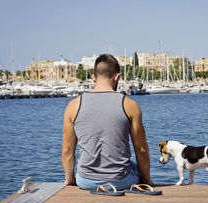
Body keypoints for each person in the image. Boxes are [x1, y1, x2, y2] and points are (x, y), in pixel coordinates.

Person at [62, 54, 153, 190]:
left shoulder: (73, 106)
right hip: (120, 181)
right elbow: (141, 149)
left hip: (85, 181)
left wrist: (70, 179)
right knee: (133, 166)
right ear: (116, 77)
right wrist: (146, 180)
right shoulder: (129, 105)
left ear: (93, 77)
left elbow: (67, 151)